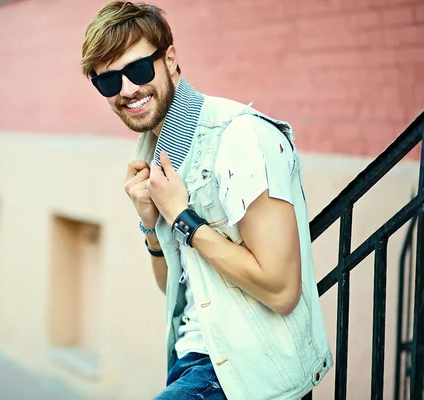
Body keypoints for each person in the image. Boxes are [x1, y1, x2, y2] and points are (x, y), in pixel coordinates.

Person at [80, 2, 332, 399]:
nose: (127, 89)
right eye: (109, 82)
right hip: (192, 360)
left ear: (171, 60)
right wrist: (150, 224)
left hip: (244, 369)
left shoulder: (239, 138)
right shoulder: (159, 149)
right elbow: (174, 287)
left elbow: (282, 290)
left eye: (138, 70)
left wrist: (182, 216)